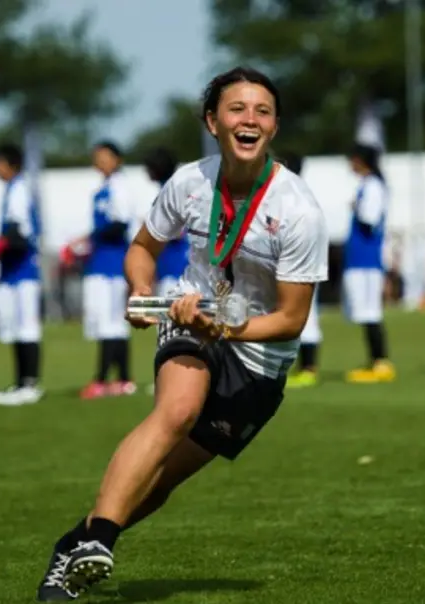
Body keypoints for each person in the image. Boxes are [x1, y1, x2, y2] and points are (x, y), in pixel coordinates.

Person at [34, 66, 328, 601]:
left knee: (162, 479)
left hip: (259, 359)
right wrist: (144, 293)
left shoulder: (298, 209)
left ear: (275, 127)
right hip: (191, 316)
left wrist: (229, 327)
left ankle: (75, 543)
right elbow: (142, 248)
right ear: (212, 121)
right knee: (176, 411)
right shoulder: (190, 182)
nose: (250, 119)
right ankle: (100, 542)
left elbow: (291, 319)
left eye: (262, 111)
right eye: (237, 109)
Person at [67, 141, 137, 399]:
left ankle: (101, 379)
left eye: (105, 156)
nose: (100, 161)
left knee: (110, 321)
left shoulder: (120, 187)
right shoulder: (103, 189)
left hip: (113, 264)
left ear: (117, 159)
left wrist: (91, 239)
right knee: (110, 322)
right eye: (97, 156)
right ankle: (123, 379)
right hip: (100, 262)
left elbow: (119, 225)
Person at [0, 143, 45, 405]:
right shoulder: (10, 190)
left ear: (11, 165)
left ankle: (30, 384)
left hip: (24, 270)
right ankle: (20, 383)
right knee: (15, 328)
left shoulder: (19, 190)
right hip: (12, 270)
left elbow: (20, 234)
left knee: (26, 328)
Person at [342, 143, 395, 384]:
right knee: (364, 311)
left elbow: (369, 218)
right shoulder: (367, 184)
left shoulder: (373, 186)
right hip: (359, 258)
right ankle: (375, 360)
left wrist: (355, 206)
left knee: (370, 310)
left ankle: (380, 361)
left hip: (366, 260)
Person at [280, 152, 323, 388]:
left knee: (307, 315)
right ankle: (299, 367)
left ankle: (309, 368)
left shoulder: (295, 193)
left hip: (302, 261)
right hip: (293, 260)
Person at [142, 148, 189, 297]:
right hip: (168, 267)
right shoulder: (168, 190)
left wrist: (150, 230)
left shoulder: (172, 191)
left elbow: (179, 231)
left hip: (176, 269)